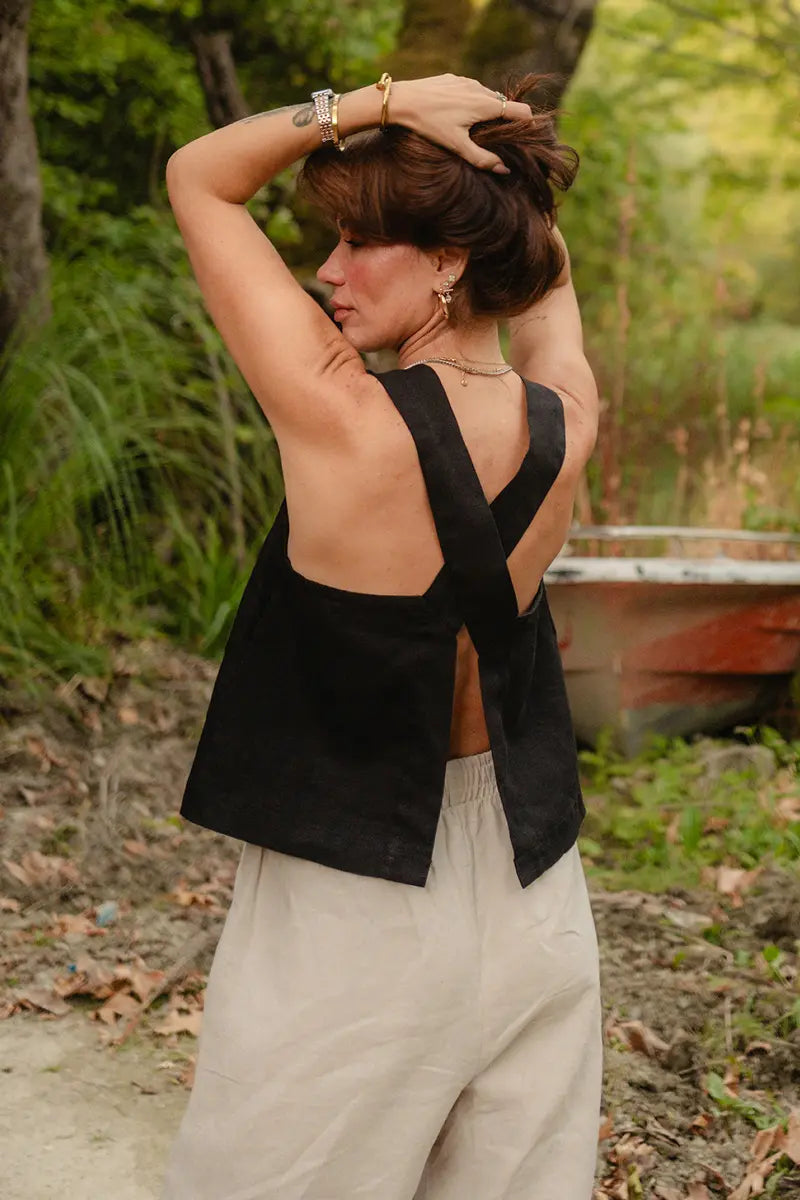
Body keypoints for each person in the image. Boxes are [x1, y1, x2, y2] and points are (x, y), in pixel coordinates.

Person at [162, 71, 602, 1200]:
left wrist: (384, 100)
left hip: (351, 909)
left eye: (363, 242)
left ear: (448, 260)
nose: (327, 270)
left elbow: (199, 180)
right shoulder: (568, 415)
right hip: (531, 894)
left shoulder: (338, 418)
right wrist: (496, 155)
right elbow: (542, 269)